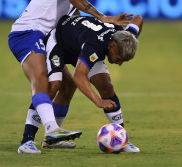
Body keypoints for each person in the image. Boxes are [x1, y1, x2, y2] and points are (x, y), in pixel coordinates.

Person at [8, 0, 132, 154]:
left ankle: (52, 139)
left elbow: (77, 22)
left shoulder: (69, 2)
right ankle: (29, 140)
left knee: (66, 85)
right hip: (26, 33)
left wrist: (102, 29)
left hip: (45, 38)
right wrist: (102, 17)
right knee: (43, 82)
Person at [22, 14, 143, 154]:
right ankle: (27, 140)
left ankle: (123, 140)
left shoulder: (125, 37)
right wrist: (98, 101)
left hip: (81, 44)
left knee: (106, 86)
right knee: (51, 87)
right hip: (59, 43)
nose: (120, 63)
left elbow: (138, 18)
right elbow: (78, 76)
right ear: (112, 46)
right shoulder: (95, 44)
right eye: (119, 58)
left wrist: (132, 38)